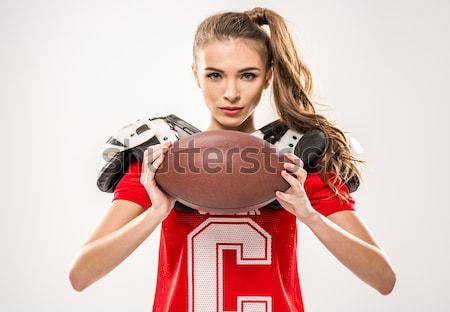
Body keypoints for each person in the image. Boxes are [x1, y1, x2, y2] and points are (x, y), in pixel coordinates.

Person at [68, 7, 396, 311]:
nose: (231, 93)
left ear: (268, 76)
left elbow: (383, 278)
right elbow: (80, 275)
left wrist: (308, 215)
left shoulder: (295, 160)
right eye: (215, 75)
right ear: (195, 74)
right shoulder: (165, 158)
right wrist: (156, 212)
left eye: (247, 75)